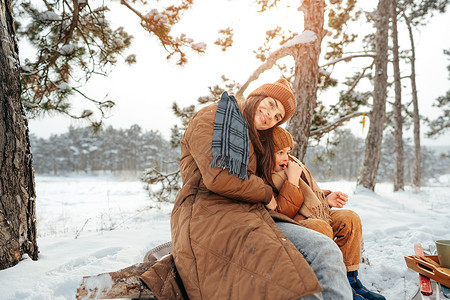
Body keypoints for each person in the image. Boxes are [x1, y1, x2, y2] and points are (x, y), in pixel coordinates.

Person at [140, 78, 353, 299]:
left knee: (324, 250)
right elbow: (219, 176)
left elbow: (272, 179)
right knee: (289, 281)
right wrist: (265, 194)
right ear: (256, 96)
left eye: (278, 116)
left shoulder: (254, 138)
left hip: (253, 215)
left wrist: (319, 195)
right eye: (270, 104)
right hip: (209, 216)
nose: (271, 115)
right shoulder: (215, 116)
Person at [266, 126, 386, 300]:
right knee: (320, 227)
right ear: (267, 153)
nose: (286, 157)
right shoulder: (264, 175)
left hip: (310, 213)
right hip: (291, 223)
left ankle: (350, 279)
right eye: (280, 152)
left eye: (288, 152)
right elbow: (282, 211)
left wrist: (326, 198)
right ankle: (331, 282)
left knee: (349, 218)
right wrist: (291, 180)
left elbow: (308, 193)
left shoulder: (291, 164)